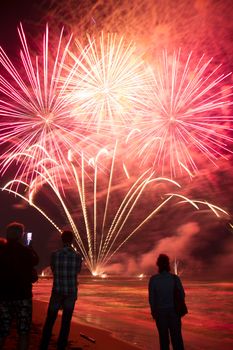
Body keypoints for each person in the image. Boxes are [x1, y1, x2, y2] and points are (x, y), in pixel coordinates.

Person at [39, 230, 82, 350]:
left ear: (62, 240)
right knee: (66, 321)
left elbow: (53, 269)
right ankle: (61, 346)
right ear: (72, 240)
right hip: (71, 292)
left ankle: (44, 345)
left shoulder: (55, 254)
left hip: (57, 290)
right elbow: (77, 271)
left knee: (50, 319)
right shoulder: (78, 256)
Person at [0, 222, 39, 350]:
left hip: (4, 297)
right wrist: (31, 248)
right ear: (21, 235)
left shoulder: (1, 251)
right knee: (23, 331)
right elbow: (34, 272)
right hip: (23, 296)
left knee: (2, 330)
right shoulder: (26, 252)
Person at [148, 254, 185, 350]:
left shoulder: (153, 280)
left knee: (163, 340)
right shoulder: (175, 278)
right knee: (177, 339)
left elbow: (152, 299)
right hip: (174, 312)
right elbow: (182, 294)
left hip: (160, 313)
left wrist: (153, 312)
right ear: (168, 264)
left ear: (158, 265)